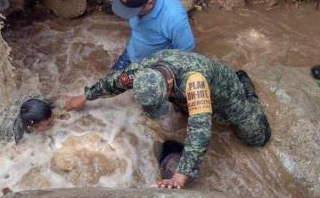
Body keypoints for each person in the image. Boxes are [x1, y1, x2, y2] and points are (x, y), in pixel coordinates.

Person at [64, 50, 271, 189]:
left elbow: (200, 132)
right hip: (182, 94)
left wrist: (179, 177)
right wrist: (85, 96)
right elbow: (115, 82)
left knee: (257, 138)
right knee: (183, 112)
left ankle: (245, 85)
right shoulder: (142, 71)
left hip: (227, 95)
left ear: (169, 83)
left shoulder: (195, 82)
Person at [109, 0, 195, 70]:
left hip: (153, 68)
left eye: (133, 11)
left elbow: (187, 53)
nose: (129, 14)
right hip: (131, 53)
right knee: (109, 83)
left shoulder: (174, 18)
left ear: (149, 3)